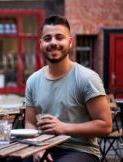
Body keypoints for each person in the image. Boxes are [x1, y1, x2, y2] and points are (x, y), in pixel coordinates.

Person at [24, 15, 112, 162]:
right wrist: (36, 147)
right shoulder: (33, 80)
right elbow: (30, 123)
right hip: (43, 146)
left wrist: (63, 127)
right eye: (47, 38)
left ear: (70, 42)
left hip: (80, 150)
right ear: (40, 44)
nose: (53, 42)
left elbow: (105, 126)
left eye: (59, 37)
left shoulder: (86, 78)